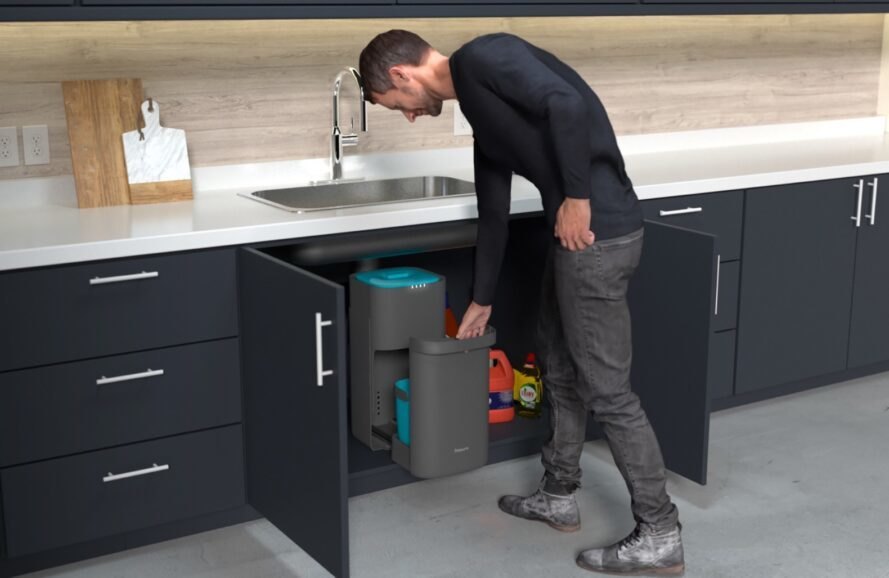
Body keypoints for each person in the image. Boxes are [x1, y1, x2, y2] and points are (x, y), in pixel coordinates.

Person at [358, 30, 684, 576]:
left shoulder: (484, 56)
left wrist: (576, 199)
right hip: (576, 238)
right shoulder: (481, 110)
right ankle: (558, 494)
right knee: (556, 366)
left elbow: (567, 103)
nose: (411, 116)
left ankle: (660, 531)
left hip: (596, 236)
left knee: (608, 391)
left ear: (401, 75)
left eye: (400, 107)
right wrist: (481, 300)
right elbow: (493, 211)